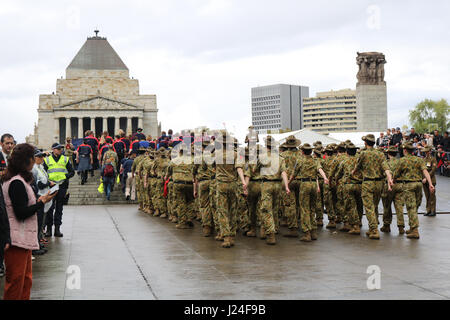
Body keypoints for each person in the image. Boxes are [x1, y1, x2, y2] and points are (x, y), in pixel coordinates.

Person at [2, 143, 56, 300]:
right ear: (27, 160)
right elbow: (20, 213)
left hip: (23, 237)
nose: (35, 161)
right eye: (33, 157)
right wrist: (41, 202)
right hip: (16, 238)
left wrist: (39, 201)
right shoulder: (16, 182)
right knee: (16, 282)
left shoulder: (18, 180)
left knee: (25, 280)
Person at [352, 134, 393, 240]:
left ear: (365, 143)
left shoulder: (363, 154)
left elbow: (357, 167)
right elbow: (386, 168)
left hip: (368, 183)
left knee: (369, 208)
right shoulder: (380, 154)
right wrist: (389, 179)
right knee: (374, 206)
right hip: (379, 184)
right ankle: (372, 228)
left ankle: (374, 230)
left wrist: (353, 173)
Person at [393, 142, 434, 239]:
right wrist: (430, 184)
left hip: (408, 185)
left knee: (411, 208)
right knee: (415, 207)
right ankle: (412, 227)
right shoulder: (418, 160)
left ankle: (415, 230)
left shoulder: (402, 160)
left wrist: (393, 180)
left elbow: (396, 174)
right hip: (418, 184)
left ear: (405, 150)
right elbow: (425, 171)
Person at [43, 143, 75, 237]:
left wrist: (65, 176)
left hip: (62, 186)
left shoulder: (65, 159)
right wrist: (48, 181)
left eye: (60, 148)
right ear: (53, 149)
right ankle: (49, 229)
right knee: (50, 208)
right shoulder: (47, 160)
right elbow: (44, 173)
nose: (60, 150)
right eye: (58, 149)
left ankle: (57, 229)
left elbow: (72, 172)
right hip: (51, 186)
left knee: (59, 208)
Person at [31, 149, 54, 255]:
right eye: (39, 157)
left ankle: (38, 243)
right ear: (34, 158)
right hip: (39, 196)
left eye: (42, 157)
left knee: (41, 222)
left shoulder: (41, 167)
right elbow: (38, 184)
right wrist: (48, 183)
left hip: (44, 195)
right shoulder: (34, 169)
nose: (42, 158)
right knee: (38, 222)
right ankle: (35, 245)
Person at [422, 146, 437, 217]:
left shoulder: (433, 159)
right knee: (427, 196)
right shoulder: (424, 159)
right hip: (424, 181)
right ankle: (428, 210)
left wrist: (426, 178)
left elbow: (433, 170)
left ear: (429, 151)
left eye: (427, 151)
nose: (426, 153)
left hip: (431, 179)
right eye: (425, 151)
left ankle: (433, 211)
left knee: (432, 196)